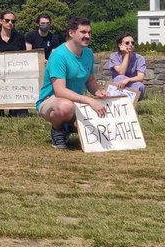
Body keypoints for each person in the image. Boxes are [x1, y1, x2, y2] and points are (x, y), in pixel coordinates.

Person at [36, 17, 110, 149]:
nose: (87, 36)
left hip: (76, 102)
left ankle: (69, 126)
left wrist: (98, 91)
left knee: (99, 128)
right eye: (83, 32)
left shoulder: (88, 54)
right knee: (65, 107)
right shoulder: (59, 55)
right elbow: (60, 91)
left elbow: (90, 79)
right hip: (53, 101)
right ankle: (57, 130)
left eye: (89, 33)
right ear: (71, 33)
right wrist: (89, 100)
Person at [0, 11, 28, 116]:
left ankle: (17, 110)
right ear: (1, 21)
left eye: (13, 21)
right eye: (7, 20)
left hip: (16, 77)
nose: (10, 23)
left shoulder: (20, 38)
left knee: (21, 115)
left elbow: (25, 57)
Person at [107, 32, 146, 103]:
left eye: (132, 43)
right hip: (118, 84)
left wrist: (127, 80)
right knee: (120, 77)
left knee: (140, 86)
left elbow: (140, 77)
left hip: (132, 84)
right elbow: (121, 72)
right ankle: (119, 99)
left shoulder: (140, 58)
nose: (130, 45)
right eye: (127, 43)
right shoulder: (114, 56)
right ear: (120, 45)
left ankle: (131, 100)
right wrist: (126, 54)